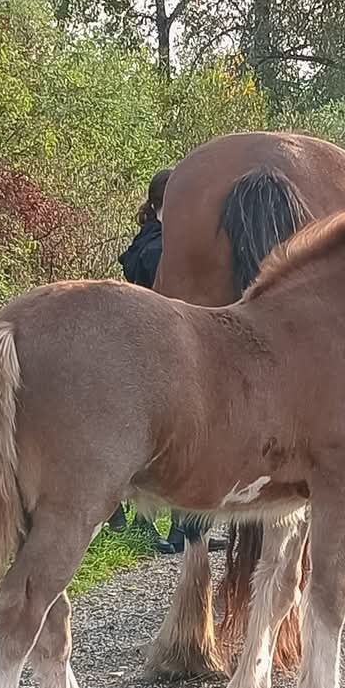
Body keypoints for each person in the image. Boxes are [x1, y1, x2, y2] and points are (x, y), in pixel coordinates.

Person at [107, 170, 226, 555]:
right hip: (155, 352)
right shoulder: (155, 246)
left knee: (181, 440)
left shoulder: (165, 241)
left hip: (164, 349)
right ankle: (148, 523)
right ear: (166, 202)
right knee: (163, 441)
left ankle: (186, 528)